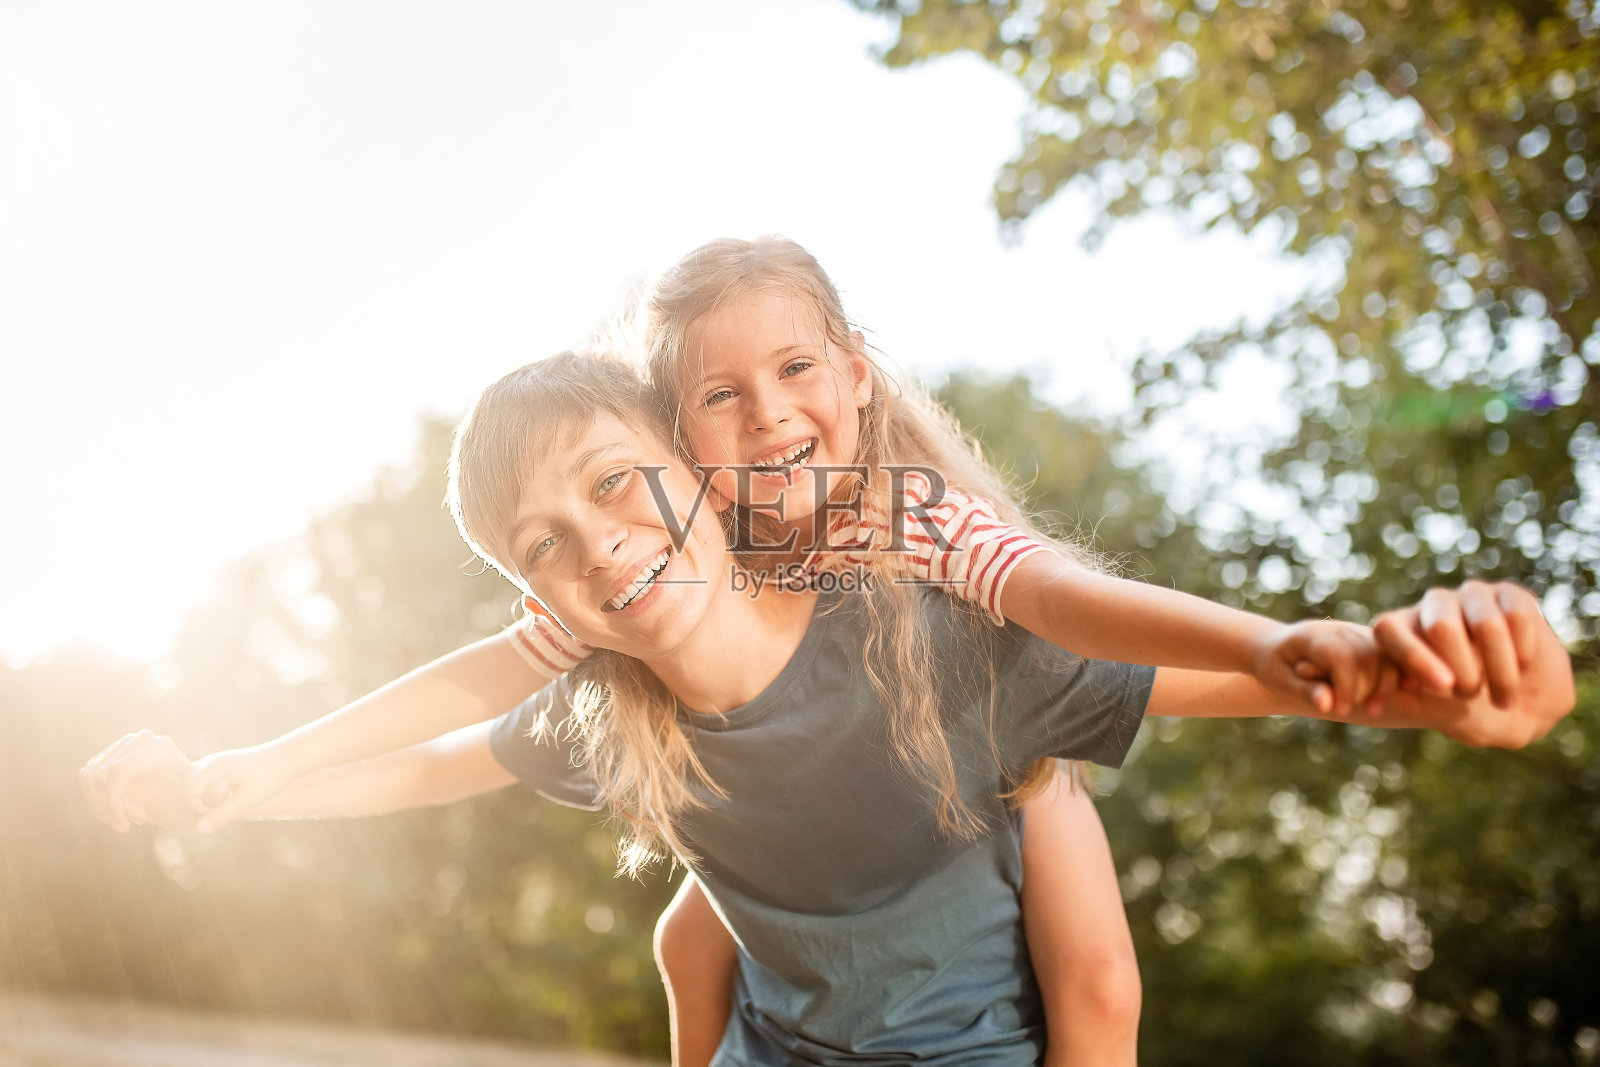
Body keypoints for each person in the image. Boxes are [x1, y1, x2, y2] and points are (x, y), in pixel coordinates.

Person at [81, 353, 1574, 1065]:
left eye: (616, 484)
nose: (598, 542)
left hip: (967, 1049)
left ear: (700, 471)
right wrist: (231, 779)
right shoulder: (617, 709)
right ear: (541, 599)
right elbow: (432, 762)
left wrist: (1432, 688)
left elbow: (1231, 678)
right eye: (545, 544)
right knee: (693, 931)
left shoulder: (924, 644)